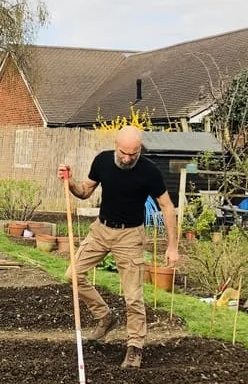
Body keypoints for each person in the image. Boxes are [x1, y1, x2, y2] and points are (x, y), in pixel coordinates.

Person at [57, 126, 179, 368]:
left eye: (132, 154)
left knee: (133, 297)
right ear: (116, 145)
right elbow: (84, 191)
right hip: (101, 230)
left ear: (139, 150)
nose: (126, 158)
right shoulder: (102, 161)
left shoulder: (149, 171)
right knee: (73, 274)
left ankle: (135, 346)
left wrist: (172, 246)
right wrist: (69, 182)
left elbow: (166, 206)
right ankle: (105, 317)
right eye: (123, 153)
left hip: (130, 236)